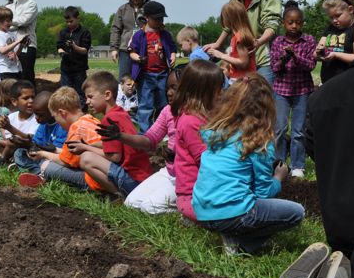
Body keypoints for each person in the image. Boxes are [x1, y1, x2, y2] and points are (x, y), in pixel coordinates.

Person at [192, 74, 303, 254]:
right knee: (296, 212)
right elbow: (263, 192)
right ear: (266, 107)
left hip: (203, 212)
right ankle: (243, 244)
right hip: (232, 213)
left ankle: (231, 235)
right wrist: (278, 177)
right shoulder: (258, 141)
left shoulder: (216, 133)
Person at [297, 61, 354, 278]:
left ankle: (336, 268)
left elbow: (311, 145)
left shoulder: (322, 95)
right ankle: (340, 276)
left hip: (336, 218)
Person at [115, 64, 186, 213]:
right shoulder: (168, 111)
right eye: (167, 88)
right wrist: (120, 136)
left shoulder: (195, 117)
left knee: (149, 207)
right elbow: (149, 139)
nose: (169, 93)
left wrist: (178, 156)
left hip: (187, 177)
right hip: (170, 172)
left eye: (174, 88)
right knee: (131, 203)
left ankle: (187, 209)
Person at [73, 71, 153, 197]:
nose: (87, 102)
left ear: (107, 95)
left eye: (90, 97)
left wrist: (85, 147)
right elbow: (111, 144)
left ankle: (119, 194)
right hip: (144, 179)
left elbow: (114, 157)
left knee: (86, 158)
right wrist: (89, 143)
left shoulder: (109, 120)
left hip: (133, 181)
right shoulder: (120, 113)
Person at [204, 0, 281, 86]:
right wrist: (218, 43)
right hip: (243, 61)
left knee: (261, 100)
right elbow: (230, 23)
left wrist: (257, 43)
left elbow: (272, 25)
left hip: (262, 59)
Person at [18, 87, 102, 189]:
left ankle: (42, 175)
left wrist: (43, 154)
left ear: (62, 113)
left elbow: (65, 162)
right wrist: (54, 150)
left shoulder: (76, 129)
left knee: (47, 166)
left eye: (55, 117)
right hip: (102, 173)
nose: (56, 121)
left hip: (93, 180)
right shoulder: (91, 119)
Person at [172, 60, 224, 222]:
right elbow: (205, 161)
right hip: (195, 195)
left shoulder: (205, 115)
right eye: (218, 89)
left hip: (208, 189)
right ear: (204, 92)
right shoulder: (190, 122)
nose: (222, 93)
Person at [269, 0, 316, 178]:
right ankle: (279, 163)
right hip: (281, 90)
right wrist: (284, 57)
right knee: (280, 128)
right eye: (290, 22)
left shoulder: (309, 40)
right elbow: (275, 68)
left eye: (298, 22)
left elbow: (311, 65)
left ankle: (298, 166)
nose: (294, 26)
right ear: (284, 23)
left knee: (298, 130)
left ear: (302, 23)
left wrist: (295, 56)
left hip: (302, 90)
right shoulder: (278, 42)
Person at [128, 0, 177, 132]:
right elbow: (131, 52)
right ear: (147, 18)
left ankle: (164, 130)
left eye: (161, 18)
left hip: (163, 74)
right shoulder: (139, 35)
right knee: (146, 105)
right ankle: (145, 133)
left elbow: (172, 48)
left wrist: (172, 56)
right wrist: (138, 58)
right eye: (157, 18)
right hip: (145, 76)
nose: (160, 21)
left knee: (163, 104)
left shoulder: (165, 34)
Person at [13, 91, 68, 175]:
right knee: (19, 152)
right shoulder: (43, 125)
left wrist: (36, 148)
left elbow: (56, 151)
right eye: (35, 114)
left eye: (40, 115)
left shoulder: (62, 126)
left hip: (54, 159)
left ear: (52, 111)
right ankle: (36, 171)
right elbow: (36, 143)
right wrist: (27, 144)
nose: (37, 118)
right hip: (41, 156)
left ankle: (37, 172)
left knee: (48, 164)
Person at [0, 79, 39, 166]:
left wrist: (9, 128)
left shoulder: (37, 118)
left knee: (16, 139)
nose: (31, 101)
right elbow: (8, 141)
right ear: (14, 101)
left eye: (33, 97)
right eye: (26, 98)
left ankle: (1, 160)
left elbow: (30, 139)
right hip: (9, 148)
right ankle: (5, 160)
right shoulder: (11, 117)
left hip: (26, 150)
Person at [206, 1, 257, 82]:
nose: (223, 19)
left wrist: (221, 55)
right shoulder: (238, 36)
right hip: (240, 78)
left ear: (230, 18)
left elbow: (243, 63)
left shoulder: (240, 37)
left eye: (224, 16)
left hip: (242, 80)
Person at [110, 0, 149, 79]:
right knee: (124, 79)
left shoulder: (149, 6)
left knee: (144, 78)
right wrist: (114, 49)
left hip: (145, 49)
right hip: (125, 50)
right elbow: (115, 29)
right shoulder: (123, 9)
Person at [316, 0, 354, 83]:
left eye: (338, 15)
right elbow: (315, 54)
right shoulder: (330, 28)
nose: (334, 20)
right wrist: (320, 52)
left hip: (348, 84)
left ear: (350, 10)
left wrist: (336, 55)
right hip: (328, 83)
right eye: (331, 17)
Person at [5, 0, 38, 84]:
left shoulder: (31, 4)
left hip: (27, 45)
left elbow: (24, 21)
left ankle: (30, 100)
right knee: (13, 77)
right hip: (10, 46)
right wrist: (14, 24)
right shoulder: (7, 6)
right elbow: (3, 26)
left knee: (26, 77)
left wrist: (8, 23)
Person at [57, 6, 91, 106]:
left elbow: (84, 50)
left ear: (78, 19)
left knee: (80, 93)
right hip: (66, 69)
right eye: (67, 22)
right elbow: (59, 46)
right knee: (65, 93)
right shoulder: (63, 32)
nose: (69, 24)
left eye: (71, 21)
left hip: (79, 69)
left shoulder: (84, 32)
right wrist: (61, 52)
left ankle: (82, 114)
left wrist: (74, 46)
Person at [0, 6, 27, 82]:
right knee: (6, 93)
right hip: (4, 70)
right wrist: (17, 42)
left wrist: (22, 44)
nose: (10, 23)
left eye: (10, 20)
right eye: (7, 21)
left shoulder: (12, 34)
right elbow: (2, 50)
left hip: (16, 70)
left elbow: (16, 53)